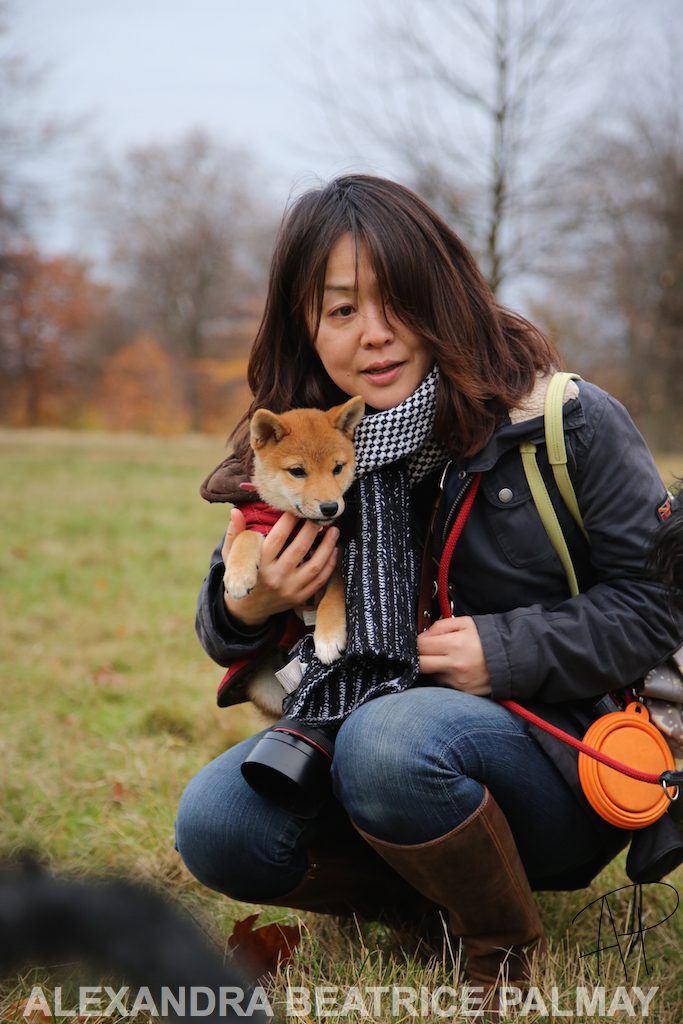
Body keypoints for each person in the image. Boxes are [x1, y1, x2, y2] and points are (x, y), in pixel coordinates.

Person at [176, 175, 683, 995]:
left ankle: (502, 952)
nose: (373, 335)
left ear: (443, 295)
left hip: (558, 758)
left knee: (391, 741)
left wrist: (503, 649)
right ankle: (425, 901)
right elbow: (223, 628)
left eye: (397, 300)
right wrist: (249, 603)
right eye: (340, 311)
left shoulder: (566, 422)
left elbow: (657, 603)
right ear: (305, 327)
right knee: (217, 825)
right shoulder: (301, 444)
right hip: (356, 740)